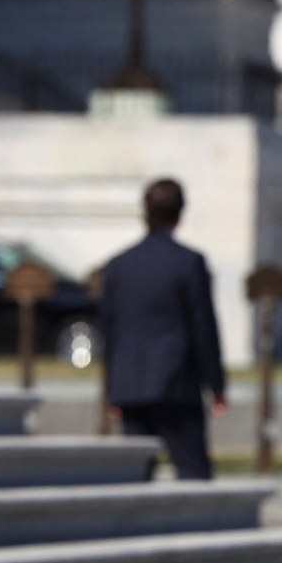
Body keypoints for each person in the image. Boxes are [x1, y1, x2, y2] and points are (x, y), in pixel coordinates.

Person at [100, 178, 227, 480]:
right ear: (180, 213)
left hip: (130, 384)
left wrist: (111, 391)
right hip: (176, 384)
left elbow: (110, 330)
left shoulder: (118, 265)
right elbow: (203, 327)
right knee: (194, 471)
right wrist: (217, 385)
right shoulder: (188, 263)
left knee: (135, 474)